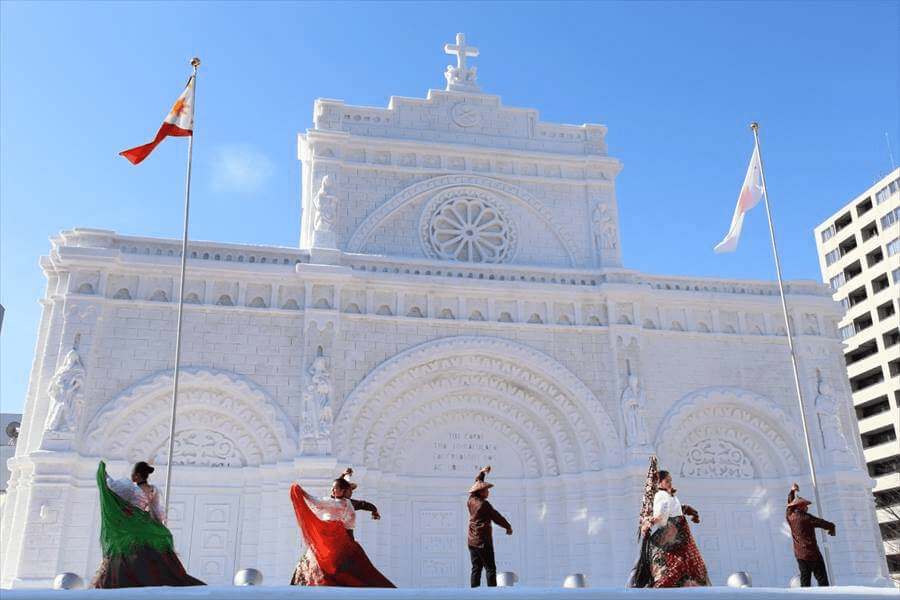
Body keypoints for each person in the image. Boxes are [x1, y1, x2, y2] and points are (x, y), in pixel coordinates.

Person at [91, 461, 204, 588]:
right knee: (161, 536)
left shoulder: (130, 488)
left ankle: (129, 571)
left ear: (137, 476)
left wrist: (105, 475)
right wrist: (158, 526)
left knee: (125, 540)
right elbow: (158, 512)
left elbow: (112, 486)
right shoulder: (153, 490)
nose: (132, 478)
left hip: (133, 519)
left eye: (133, 475)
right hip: (146, 520)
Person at [289, 468, 394, 587]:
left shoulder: (343, 503)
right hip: (336, 538)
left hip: (340, 539)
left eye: (336, 489)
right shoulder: (340, 502)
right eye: (349, 490)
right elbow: (361, 503)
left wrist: (374, 510)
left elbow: (363, 504)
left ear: (343, 491)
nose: (350, 492)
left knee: (338, 563)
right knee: (325, 560)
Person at [638, 469, 710, 587]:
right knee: (677, 561)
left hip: (681, 530)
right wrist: (650, 522)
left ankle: (684, 584)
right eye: (667, 481)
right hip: (674, 531)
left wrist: (689, 511)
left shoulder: (668, 495)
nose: (670, 483)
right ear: (659, 483)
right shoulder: (661, 496)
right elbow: (661, 515)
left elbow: (675, 509)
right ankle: (664, 584)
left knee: (686, 560)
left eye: (670, 480)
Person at [467, 465, 513, 587]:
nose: (488, 491)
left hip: (472, 541)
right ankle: (492, 593)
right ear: (480, 492)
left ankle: (474, 593)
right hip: (483, 541)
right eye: (486, 490)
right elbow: (496, 517)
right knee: (490, 568)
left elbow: (477, 482)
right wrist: (508, 526)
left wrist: (482, 473)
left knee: (476, 568)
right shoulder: (483, 505)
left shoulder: (471, 500)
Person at [786, 483, 835, 587]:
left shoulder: (790, 516)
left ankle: (806, 595)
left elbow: (790, 505)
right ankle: (826, 594)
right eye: (805, 505)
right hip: (812, 553)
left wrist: (792, 492)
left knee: (805, 578)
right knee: (821, 577)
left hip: (799, 554)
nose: (807, 507)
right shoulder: (806, 518)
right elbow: (821, 523)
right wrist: (832, 527)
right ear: (801, 506)